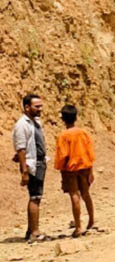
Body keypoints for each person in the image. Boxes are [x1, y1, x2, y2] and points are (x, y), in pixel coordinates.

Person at [54, 105, 96, 237]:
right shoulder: (83, 133)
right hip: (85, 167)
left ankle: (78, 226)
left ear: (63, 119)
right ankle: (91, 220)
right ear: (76, 117)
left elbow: (62, 155)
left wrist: (61, 169)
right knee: (86, 194)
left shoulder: (63, 135)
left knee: (74, 195)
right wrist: (91, 170)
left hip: (70, 169)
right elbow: (90, 152)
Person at [12, 94, 47, 241]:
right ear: (27, 107)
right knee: (35, 197)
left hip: (39, 162)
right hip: (32, 164)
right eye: (36, 106)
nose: (40, 109)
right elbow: (21, 149)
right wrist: (24, 170)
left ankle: (30, 230)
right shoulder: (22, 125)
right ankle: (35, 232)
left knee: (36, 196)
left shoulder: (35, 122)